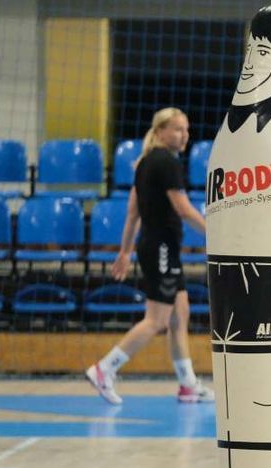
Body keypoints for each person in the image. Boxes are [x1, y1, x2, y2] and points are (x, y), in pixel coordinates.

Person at [86, 108, 213, 406]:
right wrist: (214, 233)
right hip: (162, 249)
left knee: (179, 316)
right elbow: (182, 209)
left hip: (155, 247)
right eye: (178, 129)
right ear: (160, 132)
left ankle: (188, 385)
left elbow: (132, 213)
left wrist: (125, 252)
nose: (184, 135)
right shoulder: (165, 162)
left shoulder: (144, 163)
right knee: (156, 320)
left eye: (187, 129)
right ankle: (105, 369)